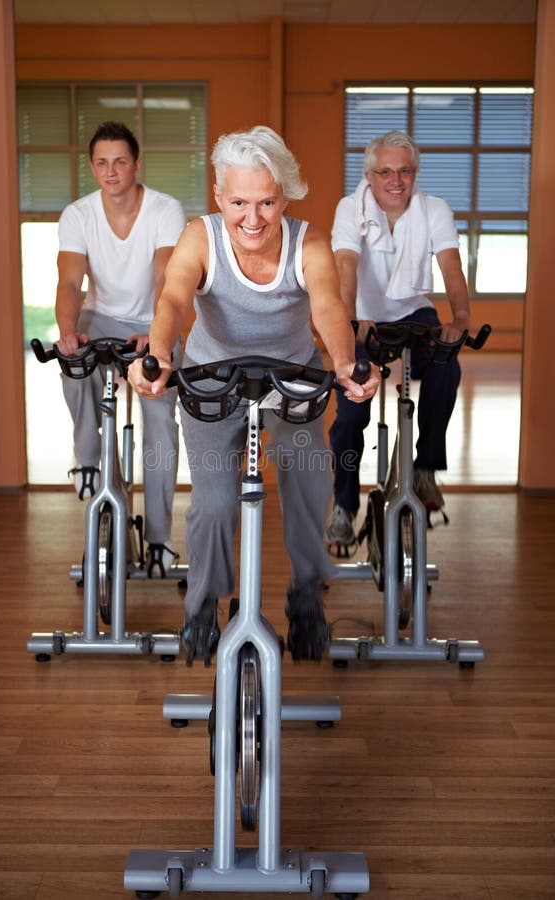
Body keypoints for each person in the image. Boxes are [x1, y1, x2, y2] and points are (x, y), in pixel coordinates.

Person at [128, 125, 379, 665]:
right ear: (220, 197)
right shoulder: (202, 236)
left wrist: (342, 361)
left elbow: (329, 307)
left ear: (284, 197)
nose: (253, 218)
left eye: (267, 202)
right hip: (212, 377)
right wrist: (160, 353)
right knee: (215, 504)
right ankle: (201, 607)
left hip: (292, 377)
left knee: (310, 481)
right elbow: (172, 299)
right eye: (239, 201)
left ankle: (306, 594)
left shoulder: (307, 241)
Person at [325, 130, 471, 554]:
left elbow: (450, 266)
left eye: (404, 170)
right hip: (365, 317)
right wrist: (351, 321)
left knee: (448, 363)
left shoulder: (434, 210)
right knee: (351, 412)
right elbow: (345, 266)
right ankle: (343, 504)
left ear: (415, 173)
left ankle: (425, 468)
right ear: (370, 175)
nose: (396, 179)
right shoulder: (350, 209)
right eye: (385, 171)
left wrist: (460, 317)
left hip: (413, 311)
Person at [55, 120, 186, 572]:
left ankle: (160, 540)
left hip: (155, 315)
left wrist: (158, 329)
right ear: (93, 166)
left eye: (120, 162)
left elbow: (166, 277)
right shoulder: (78, 214)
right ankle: (88, 459)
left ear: (136, 164)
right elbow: (70, 282)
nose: (111, 172)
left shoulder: (165, 210)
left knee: (160, 425)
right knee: (71, 359)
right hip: (102, 315)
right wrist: (68, 330)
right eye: (102, 163)